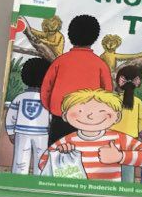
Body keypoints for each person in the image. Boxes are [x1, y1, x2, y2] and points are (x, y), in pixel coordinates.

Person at [37, 89, 142, 182]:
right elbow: (42, 163)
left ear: (117, 117)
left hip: (109, 193)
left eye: (101, 111)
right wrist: (60, 156)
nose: (90, 116)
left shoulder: (119, 138)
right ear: (65, 116)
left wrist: (121, 156)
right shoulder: (68, 140)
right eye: (80, 111)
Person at [39, 14, 112, 145]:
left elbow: (46, 88)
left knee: (56, 153)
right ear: (95, 37)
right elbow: (108, 94)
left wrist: (52, 108)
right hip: (89, 120)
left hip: (60, 117)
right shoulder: (101, 64)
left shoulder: (60, 61)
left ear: (70, 35)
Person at [5, 56, 51, 175]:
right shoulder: (47, 99)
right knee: (41, 161)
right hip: (42, 134)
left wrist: (10, 132)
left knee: (20, 161)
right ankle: (40, 182)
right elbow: (51, 118)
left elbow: (11, 116)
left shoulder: (19, 97)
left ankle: (18, 181)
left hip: (22, 133)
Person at [113, 65, 142, 182]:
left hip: (113, 136)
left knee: (112, 164)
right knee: (128, 166)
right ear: (137, 82)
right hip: (131, 137)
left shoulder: (113, 100)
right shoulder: (138, 102)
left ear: (120, 81)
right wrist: (134, 130)